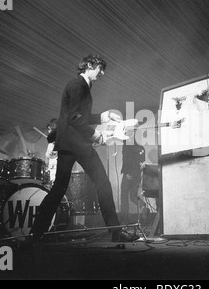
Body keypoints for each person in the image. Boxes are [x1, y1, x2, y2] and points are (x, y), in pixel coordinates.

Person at [30, 54, 139, 242]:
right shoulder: (77, 85)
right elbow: (74, 117)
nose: (102, 73)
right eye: (100, 68)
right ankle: (116, 232)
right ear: (89, 65)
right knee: (103, 183)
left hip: (68, 144)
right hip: (78, 143)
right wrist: (94, 134)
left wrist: (104, 117)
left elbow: (79, 115)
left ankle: (35, 234)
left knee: (58, 189)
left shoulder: (82, 86)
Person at [120, 138, 145, 220]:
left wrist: (127, 172)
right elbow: (142, 163)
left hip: (128, 174)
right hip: (137, 174)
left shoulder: (127, 146)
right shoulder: (141, 148)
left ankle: (124, 219)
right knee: (133, 197)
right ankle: (143, 206)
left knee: (124, 197)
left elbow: (127, 160)